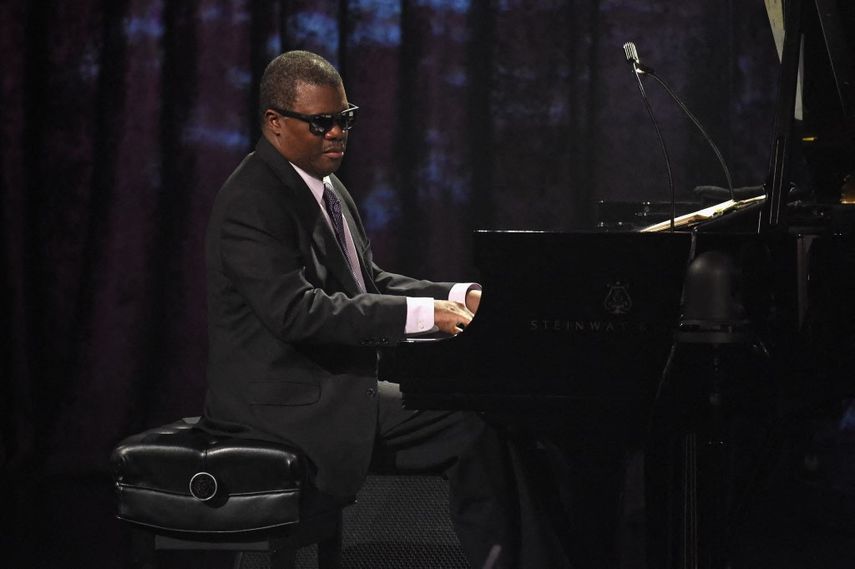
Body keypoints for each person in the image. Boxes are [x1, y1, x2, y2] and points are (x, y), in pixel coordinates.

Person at [200, 50, 520, 568]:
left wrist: (456, 297)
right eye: (322, 122)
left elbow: (366, 282)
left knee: (487, 413)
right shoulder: (251, 200)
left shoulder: (327, 187)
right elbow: (298, 312)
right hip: (283, 406)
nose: (337, 134)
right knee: (468, 423)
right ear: (275, 123)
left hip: (327, 386)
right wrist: (425, 317)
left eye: (345, 119)